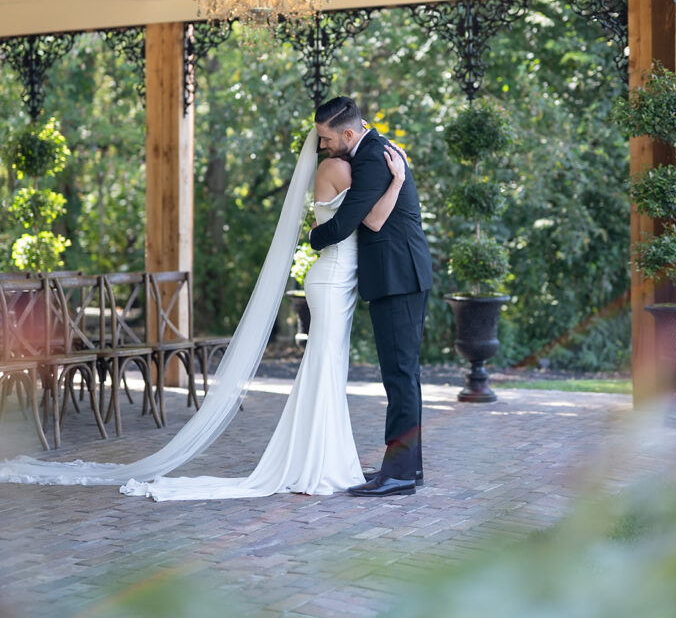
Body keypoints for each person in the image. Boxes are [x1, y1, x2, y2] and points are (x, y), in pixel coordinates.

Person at [0, 125, 407, 501]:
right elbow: (361, 221)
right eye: (320, 139)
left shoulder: (352, 161)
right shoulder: (339, 166)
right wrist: (399, 180)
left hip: (341, 281)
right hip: (333, 279)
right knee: (324, 366)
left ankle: (326, 458)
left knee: (327, 367)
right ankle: (319, 464)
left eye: (326, 138)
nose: (322, 145)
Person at [310, 96, 432, 497]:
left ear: (348, 133)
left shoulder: (372, 157)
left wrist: (313, 237)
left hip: (398, 278)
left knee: (399, 377)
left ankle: (397, 474)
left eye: (326, 139)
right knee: (403, 376)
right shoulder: (378, 152)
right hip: (401, 276)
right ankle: (406, 469)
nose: (322, 147)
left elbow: (354, 222)